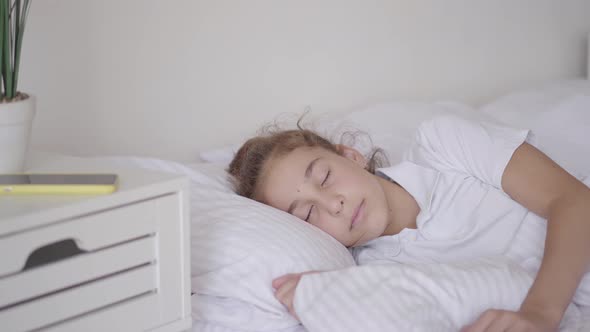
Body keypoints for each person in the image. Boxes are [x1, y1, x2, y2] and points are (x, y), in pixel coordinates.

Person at [227, 113, 590, 332]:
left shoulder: (442, 145)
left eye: (324, 177)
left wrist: (539, 313)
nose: (333, 204)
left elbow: (574, 201)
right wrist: (323, 294)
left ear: (351, 156)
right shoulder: (376, 276)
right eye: (307, 214)